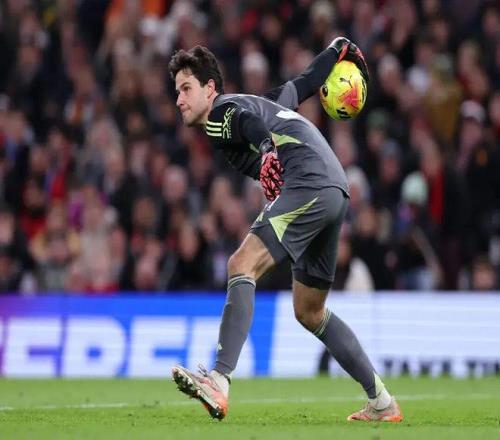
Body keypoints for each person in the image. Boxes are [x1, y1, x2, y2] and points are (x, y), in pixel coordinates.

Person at [168, 38, 402, 423]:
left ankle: (219, 380)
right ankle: (382, 401)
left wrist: (266, 150)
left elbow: (248, 125)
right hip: (334, 189)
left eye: (186, 88)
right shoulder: (264, 102)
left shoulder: (221, 112)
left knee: (241, 264)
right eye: (177, 91)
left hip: (308, 181)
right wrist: (337, 50)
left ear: (210, 89)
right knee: (310, 311)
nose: (179, 99)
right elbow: (305, 83)